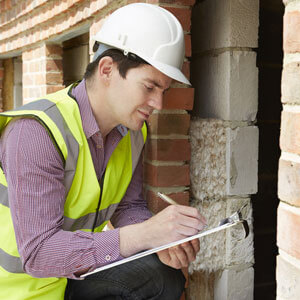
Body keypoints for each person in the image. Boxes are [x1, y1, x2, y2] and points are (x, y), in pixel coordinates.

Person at [0, 3, 206, 300]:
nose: (158, 104)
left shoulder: (134, 133)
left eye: (164, 90)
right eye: (149, 87)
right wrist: (145, 235)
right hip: (21, 291)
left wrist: (160, 242)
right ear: (107, 69)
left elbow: (127, 206)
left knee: (163, 277)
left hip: (72, 276)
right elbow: (39, 254)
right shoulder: (35, 133)